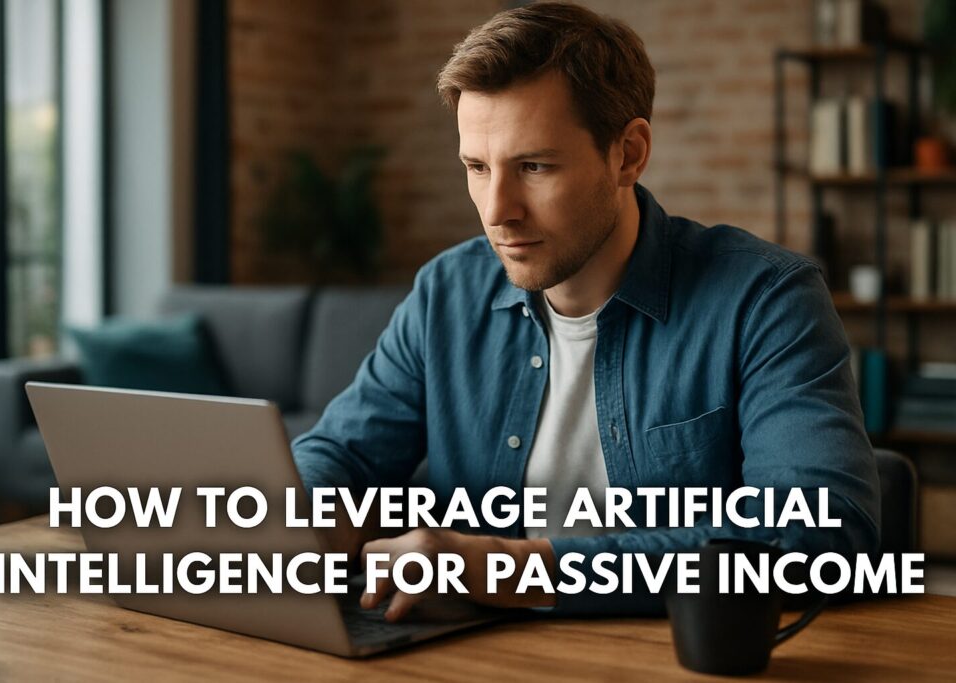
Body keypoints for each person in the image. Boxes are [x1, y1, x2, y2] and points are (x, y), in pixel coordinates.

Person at [292, 2, 880, 621]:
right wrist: (300, 529)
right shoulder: (446, 293)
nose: (498, 210)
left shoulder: (766, 300)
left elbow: (823, 533)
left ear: (628, 153)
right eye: (477, 167)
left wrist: (513, 566)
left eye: (534, 167)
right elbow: (341, 458)